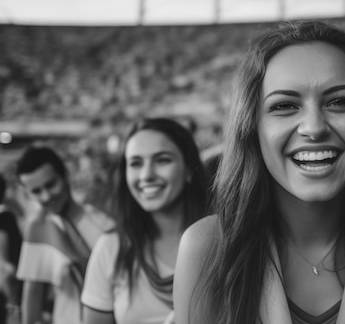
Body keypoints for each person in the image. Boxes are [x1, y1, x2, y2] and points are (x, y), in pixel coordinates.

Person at [174, 21, 345, 324]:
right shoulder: (206, 250)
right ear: (252, 128)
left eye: (339, 102)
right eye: (285, 106)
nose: (314, 128)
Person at [81, 117, 209, 324]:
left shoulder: (224, 241)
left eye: (162, 160)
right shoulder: (111, 248)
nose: (146, 175)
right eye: (135, 163)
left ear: (188, 169)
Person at [15, 146, 114, 324]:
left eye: (51, 184)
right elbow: (33, 292)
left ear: (65, 175)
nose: (46, 196)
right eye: (36, 191)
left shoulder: (101, 218)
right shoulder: (39, 227)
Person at [0, 174, 22, 322]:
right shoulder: (7, 215)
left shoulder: (4, 217)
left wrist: (12, 302)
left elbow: (5, 265)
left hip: (7, 291)